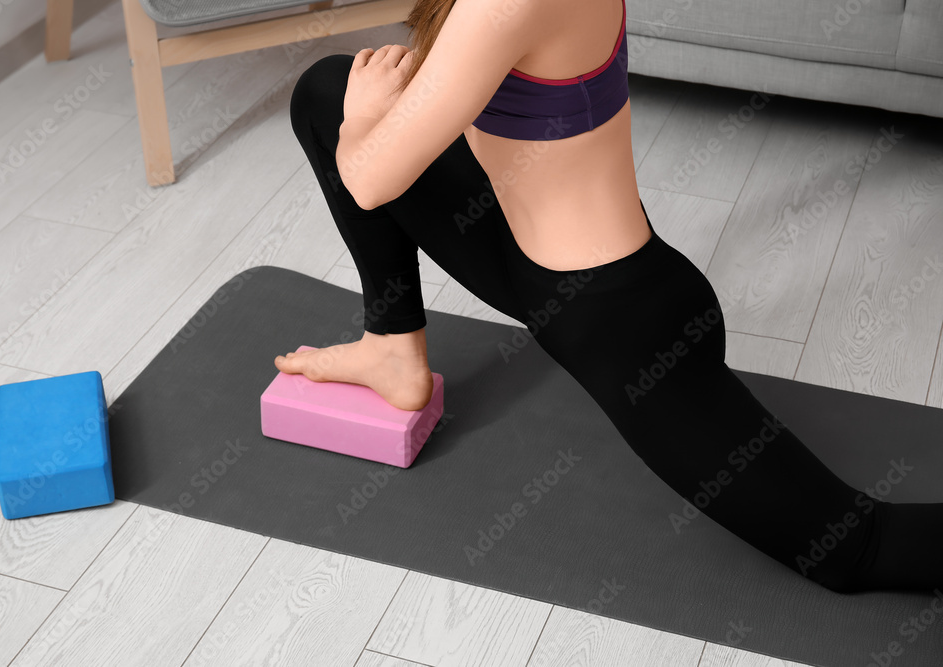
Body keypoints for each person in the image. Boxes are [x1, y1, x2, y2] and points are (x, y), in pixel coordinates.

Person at [276, 0, 942, 594]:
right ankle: (394, 351)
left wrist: (366, 121)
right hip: (534, 263)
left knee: (855, 549)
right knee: (324, 89)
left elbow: (367, 180)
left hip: (624, 328)